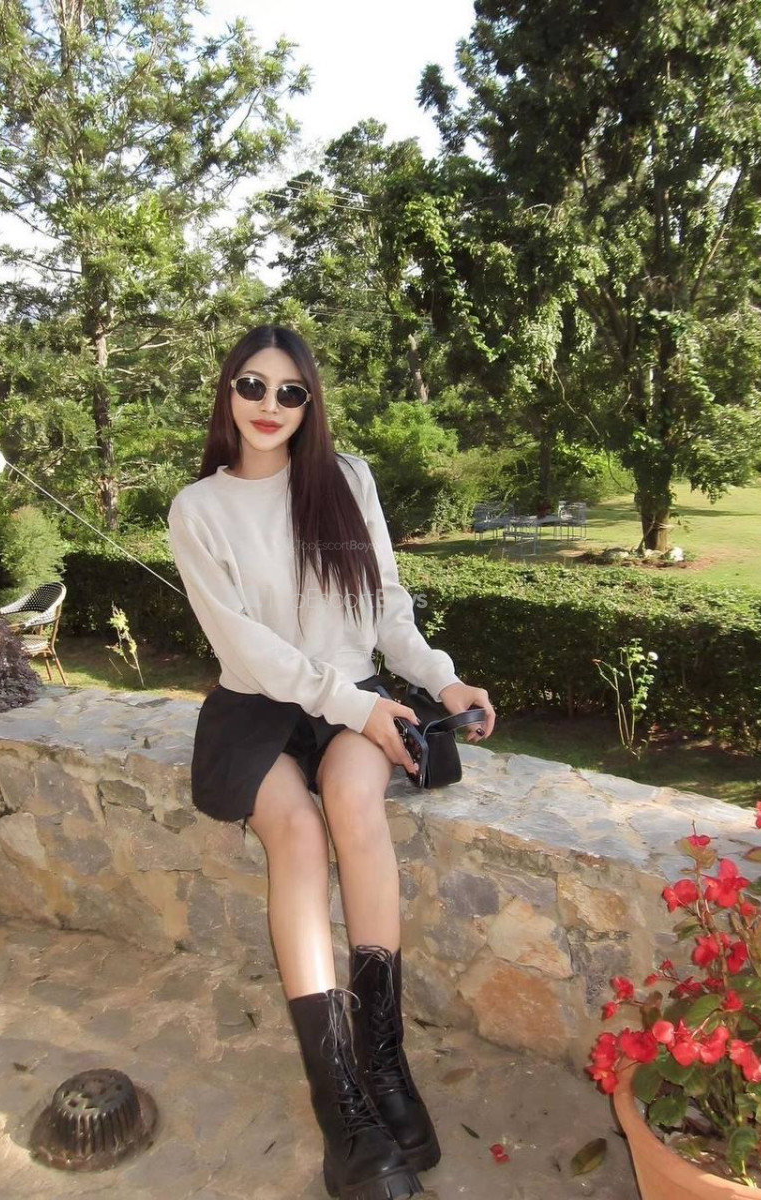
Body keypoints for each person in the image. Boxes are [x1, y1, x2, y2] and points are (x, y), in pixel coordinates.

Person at [167, 325, 495, 1200]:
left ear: (309, 403)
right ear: (227, 392)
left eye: (290, 391)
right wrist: (357, 706)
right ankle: (341, 1104)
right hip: (257, 708)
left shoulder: (347, 480)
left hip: (353, 695)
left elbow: (385, 607)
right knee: (299, 836)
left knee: (353, 801)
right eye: (251, 385)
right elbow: (245, 647)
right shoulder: (199, 508)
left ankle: (385, 1063)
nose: (268, 405)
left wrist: (442, 679)